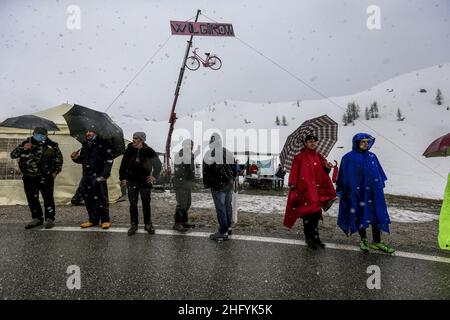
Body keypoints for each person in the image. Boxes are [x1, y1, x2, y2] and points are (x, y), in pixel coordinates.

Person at [336, 133, 395, 254]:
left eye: (367, 142)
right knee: (360, 214)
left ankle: (377, 242)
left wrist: (377, 188)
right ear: (356, 143)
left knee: (376, 215)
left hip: (374, 193)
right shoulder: (348, 158)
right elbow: (343, 177)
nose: (365, 144)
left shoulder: (373, 156)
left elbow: (379, 175)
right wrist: (347, 191)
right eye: (362, 142)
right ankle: (363, 239)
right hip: (358, 193)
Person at [283, 134, 336, 249]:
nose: (313, 143)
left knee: (316, 215)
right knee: (308, 215)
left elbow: (324, 172)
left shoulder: (319, 156)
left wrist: (328, 167)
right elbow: (294, 172)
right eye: (310, 141)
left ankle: (316, 238)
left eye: (314, 141)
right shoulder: (299, 157)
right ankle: (309, 239)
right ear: (305, 143)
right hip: (305, 191)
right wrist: (292, 184)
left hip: (317, 191)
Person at [10, 127, 63, 229]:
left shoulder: (52, 145)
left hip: (46, 176)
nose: (39, 136)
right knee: (32, 198)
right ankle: (37, 218)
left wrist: (55, 172)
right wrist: (24, 149)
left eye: (42, 134)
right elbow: (13, 155)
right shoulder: (26, 143)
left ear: (46, 135)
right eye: (37, 134)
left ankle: (50, 218)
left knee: (48, 198)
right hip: (29, 176)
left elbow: (59, 160)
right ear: (33, 133)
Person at [119, 132, 162, 236]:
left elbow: (158, 165)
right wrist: (123, 178)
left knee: (145, 203)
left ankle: (148, 224)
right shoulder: (129, 149)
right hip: (132, 181)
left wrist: (154, 176)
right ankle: (134, 224)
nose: (133, 140)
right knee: (133, 204)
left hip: (145, 181)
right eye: (133, 137)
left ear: (142, 140)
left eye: (136, 138)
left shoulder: (149, 151)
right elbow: (123, 165)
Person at [71, 130, 114, 229]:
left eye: (90, 132)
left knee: (101, 198)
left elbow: (109, 160)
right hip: (86, 175)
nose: (88, 134)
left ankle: (105, 220)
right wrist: (75, 158)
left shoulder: (104, 143)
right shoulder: (85, 144)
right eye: (86, 132)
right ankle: (93, 219)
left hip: (99, 176)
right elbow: (82, 159)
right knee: (88, 198)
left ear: (96, 133)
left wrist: (105, 175)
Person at [203, 133, 237, 241]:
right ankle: (229, 226)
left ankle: (223, 231)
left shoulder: (210, 154)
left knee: (221, 208)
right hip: (229, 184)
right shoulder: (228, 152)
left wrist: (207, 184)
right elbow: (235, 168)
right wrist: (232, 178)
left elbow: (206, 172)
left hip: (218, 185)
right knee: (227, 205)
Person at [172, 139, 200, 232]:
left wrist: (196, 153)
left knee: (187, 204)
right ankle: (177, 223)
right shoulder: (180, 154)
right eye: (188, 144)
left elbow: (190, 161)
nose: (190, 146)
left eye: (191, 145)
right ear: (183, 145)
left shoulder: (189, 155)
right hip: (180, 183)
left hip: (187, 183)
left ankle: (184, 222)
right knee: (182, 204)